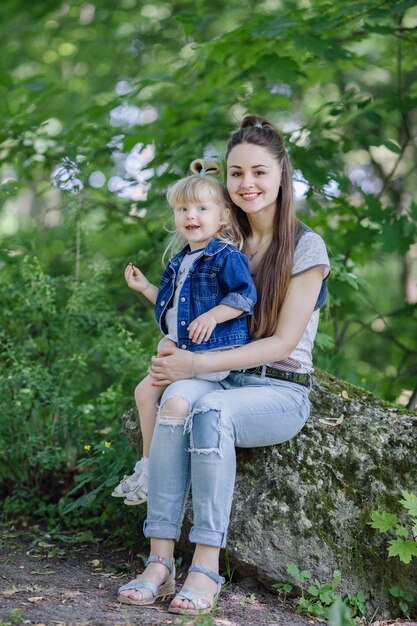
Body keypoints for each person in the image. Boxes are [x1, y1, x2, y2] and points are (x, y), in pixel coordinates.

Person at [117, 115, 330, 615]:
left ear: (282, 175)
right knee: (172, 403)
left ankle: (206, 566)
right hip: (222, 377)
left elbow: (282, 343)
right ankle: (160, 561)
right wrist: (182, 360)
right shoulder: (221, 242)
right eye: (236, 173)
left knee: (211, 414)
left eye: (259, 172)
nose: (247, 183)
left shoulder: (305, 247)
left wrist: (193, 365)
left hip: (279, 389)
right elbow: (187, 311)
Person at [112, 158, 256, 506]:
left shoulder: (225, 256)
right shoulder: (180, 259)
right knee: (144, 392)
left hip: (211, 354)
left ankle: (158, 473)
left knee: (168, 395)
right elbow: (173, 304)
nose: (190, 215)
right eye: (182, 209)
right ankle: (148, 465)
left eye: (201, 208)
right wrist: (147, 288)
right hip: (186, 347)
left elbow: (245, 295)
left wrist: (215, 316)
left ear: (222, 216)